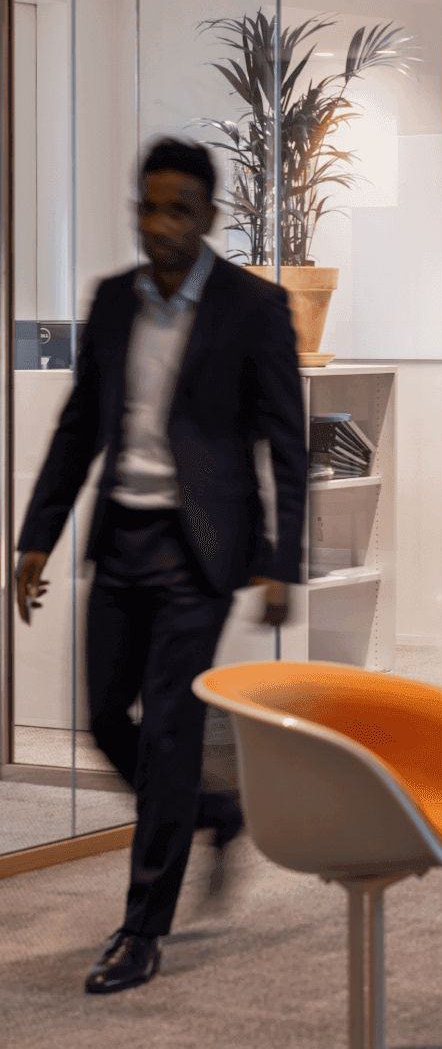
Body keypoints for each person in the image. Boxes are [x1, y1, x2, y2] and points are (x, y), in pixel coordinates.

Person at [14, 138, 307, 994]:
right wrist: (38, 535)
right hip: (125, 537)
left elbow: (287, 447)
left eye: (179, 210)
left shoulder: (255, 308)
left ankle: (141, 929)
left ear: (210, 217)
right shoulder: (112, 302)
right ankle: (215, 813)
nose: (161, 225)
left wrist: (283, 559)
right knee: (105, 717)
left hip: (202, 550)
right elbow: (78, 429)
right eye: (149, 208)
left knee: (173, 731)